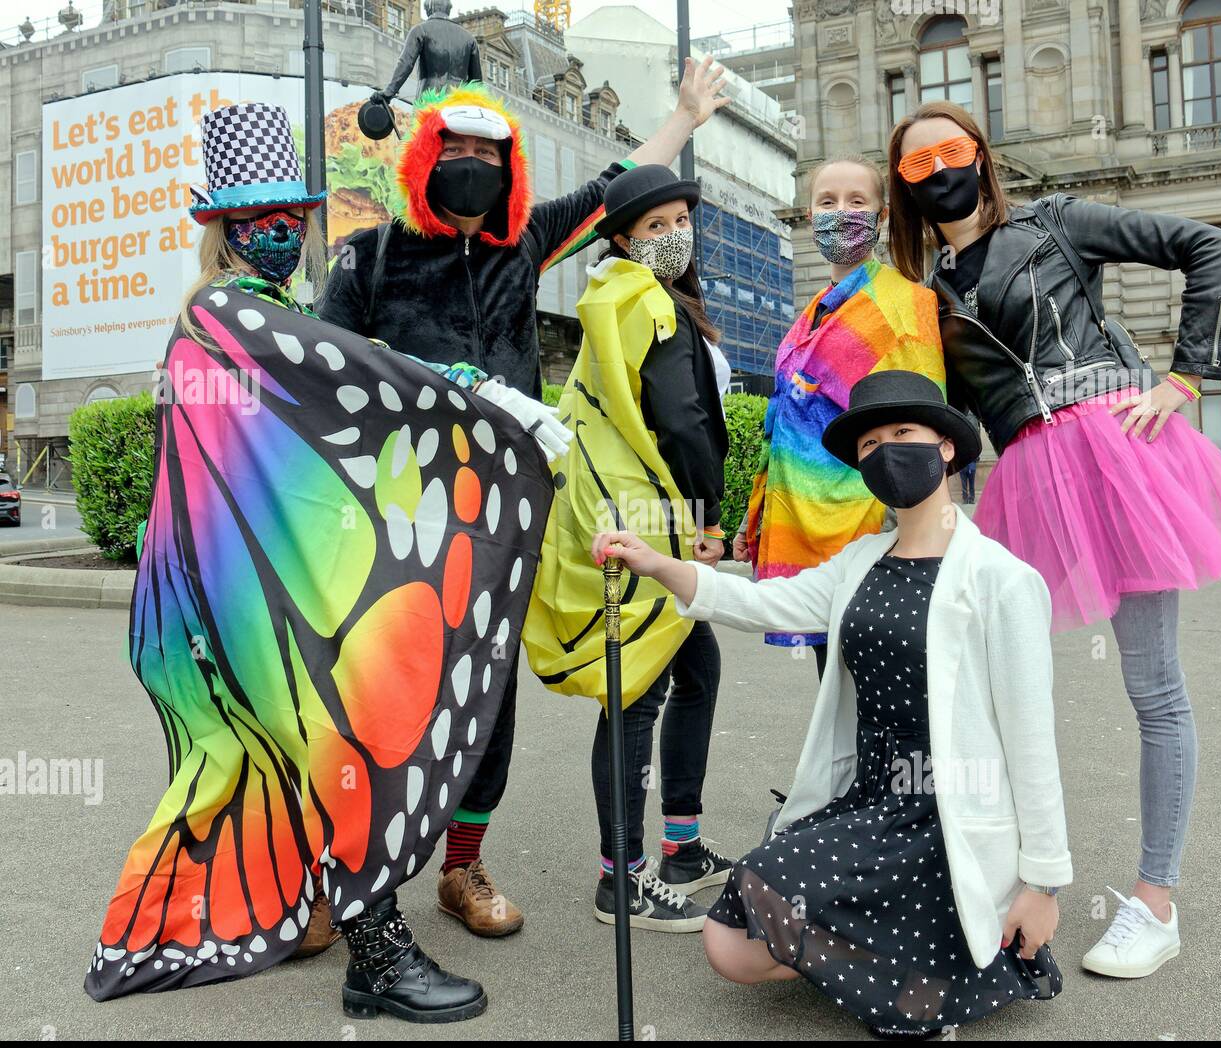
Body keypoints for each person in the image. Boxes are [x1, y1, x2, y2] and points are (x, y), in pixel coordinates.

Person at [87, 102, 567, 1023]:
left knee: (317, 749)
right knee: (339, 737)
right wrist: (463, 390)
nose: (276, 232)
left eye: (288, 217)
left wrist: (465, 391)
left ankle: (325, 909)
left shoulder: (274, 312)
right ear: (222, 229)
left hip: (289, 579)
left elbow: (355, 385)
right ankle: (376, 952)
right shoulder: (224, 314)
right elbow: (343, 394)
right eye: (254, 220)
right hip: (255, 588)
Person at [317, 67, 730, 938]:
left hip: (504, 516)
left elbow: (610, 189)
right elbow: (325, 376)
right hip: (396, 518)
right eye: (456, 148)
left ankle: (461, 867)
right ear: (424, 156)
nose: (472, 164)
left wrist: (684, 115)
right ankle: (340, 879)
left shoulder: (524, 243)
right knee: (380, 694)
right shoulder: (371, 256)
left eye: (488, 152)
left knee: (486, 698)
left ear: (511, 171)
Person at [886, 101, 1221, 979]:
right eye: (918, 164)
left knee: (1152, 683)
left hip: (1115, 449)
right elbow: (944, 416)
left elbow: (1209, 248)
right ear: (903, 187)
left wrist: (1185, 377)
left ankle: (1155, 902)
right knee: (994, 690)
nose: (940, 169)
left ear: (980, 155)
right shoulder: (923, 292)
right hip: (1025, 477)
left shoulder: (1056, 221)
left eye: (952, 150)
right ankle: (1002, 879)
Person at [593, 371, 1072, 1036]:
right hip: (868, 799)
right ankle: (910, 963)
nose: (886, 451)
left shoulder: (1002, 580)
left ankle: (931, 981)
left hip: (952, 810)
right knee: (729, 942)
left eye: (903, 434)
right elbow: (761, 601)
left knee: (767, 928)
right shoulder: (860, 562)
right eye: (871, 443)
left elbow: (1031, 739)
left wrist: (1042, 884)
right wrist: (657, 562)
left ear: (947, 448)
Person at [525, 165, 733, 930]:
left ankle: (679, 845)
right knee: (636, 695)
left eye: (682, 218)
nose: (676, 233)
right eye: (655, 225)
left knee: (693, 668)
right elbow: (684, 423)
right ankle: (624, 876)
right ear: (621, 238)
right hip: (650, 520)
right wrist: (710, 520)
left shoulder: (608, 303)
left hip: (614, 509)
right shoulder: (651, 306)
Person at [734, 156, 945, 682]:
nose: (841, 212)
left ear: (881, 214)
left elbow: (923, 428)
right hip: (801, 527)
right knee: (835, 688)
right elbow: (784, 423)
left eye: (856, 201)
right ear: (809, 215)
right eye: (827, 202)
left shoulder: (905, 304)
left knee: (877, 690)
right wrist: (754, 516)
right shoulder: (813, 312)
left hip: (868, 529)